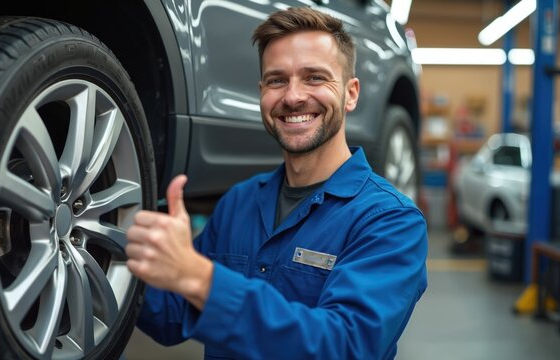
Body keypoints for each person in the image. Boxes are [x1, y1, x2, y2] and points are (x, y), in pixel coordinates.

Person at [125, 6, 428, 360]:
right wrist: (115, 262)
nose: (293, 96)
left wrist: (200, 279)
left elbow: (344, 347)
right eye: (276, 80)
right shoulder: (240, 201)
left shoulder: (391, 222)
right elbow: (173, 317)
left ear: (351, 93)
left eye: (315, 77)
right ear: (261, 93)